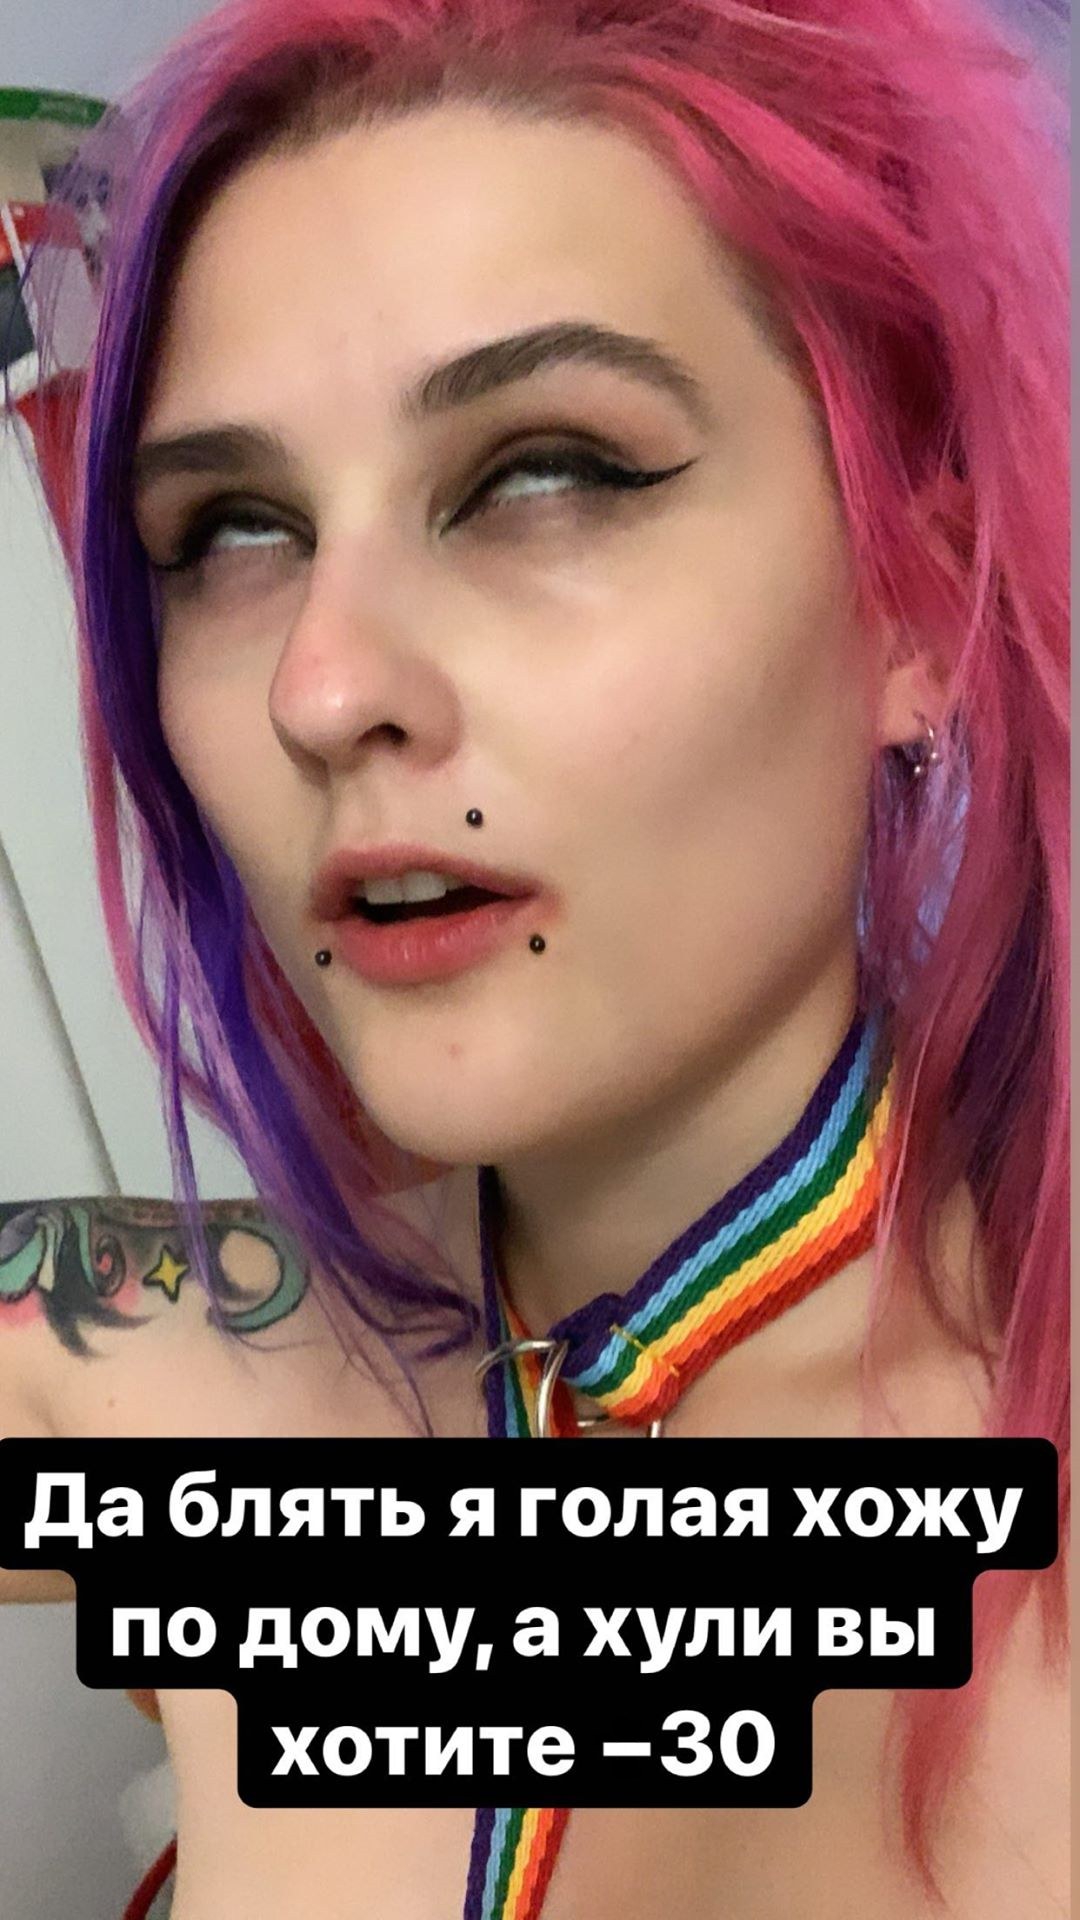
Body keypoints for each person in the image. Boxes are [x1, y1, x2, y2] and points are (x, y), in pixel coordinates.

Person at [0, 0, 1068, 1916]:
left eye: (543, 472)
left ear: (915, 598)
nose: (322, 685)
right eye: (231, 527)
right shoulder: (175, 1372)